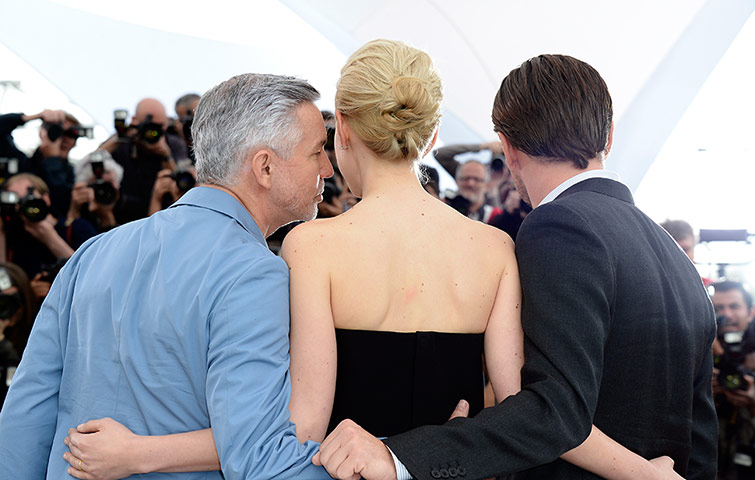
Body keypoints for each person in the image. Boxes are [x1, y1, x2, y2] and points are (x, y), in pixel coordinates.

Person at [64, 41, 683, 480]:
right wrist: (642, 472)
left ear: (347, 134)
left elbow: (302, 428)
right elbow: (527, 409)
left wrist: (140, 452)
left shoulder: (313, 246)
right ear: (431, 139)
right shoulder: (495, 248)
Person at [314, 53, 718, 480]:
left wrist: (401, 456)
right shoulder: (676, 257)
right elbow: (701, 438)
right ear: (610, 136)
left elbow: (553, 409)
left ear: (507, 146)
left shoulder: (560, 225)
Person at [0, 73, 336, 479]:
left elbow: (25, 413)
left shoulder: (94, 252)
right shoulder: (253, 272)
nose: (328, 167)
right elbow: (255, 452)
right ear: (264, 167)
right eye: (317, 150)